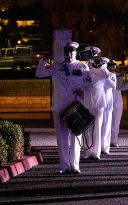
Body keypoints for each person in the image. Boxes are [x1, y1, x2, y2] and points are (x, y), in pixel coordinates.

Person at [36, 42, 89, 174]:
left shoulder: (83, 66)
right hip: (59, 107)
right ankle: (64, 166)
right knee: (62, 137)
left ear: (76, 53)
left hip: (76, 107)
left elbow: (90, 85)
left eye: (71, 52)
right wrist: (44, 60)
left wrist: (84, 91)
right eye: (66, 52)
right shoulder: (56, 67)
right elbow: (39, 74)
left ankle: (75, 165)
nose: (69, 55)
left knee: (76, 137)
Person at [82, 48, 115, 160]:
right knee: (86, 129)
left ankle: (96, 153)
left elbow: (107, 76)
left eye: (95, 56)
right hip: (87, 102)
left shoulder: (102, 70)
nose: (93, 59)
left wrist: (100, 65)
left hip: (99, 103)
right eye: (91, 57)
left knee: (97, 127)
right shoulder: (85, 69)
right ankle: (87, 152)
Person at [108, 60, 126, 147]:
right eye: (110, 64)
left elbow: (119, 86)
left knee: (116, 121)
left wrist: (121, 75)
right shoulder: (104, 75)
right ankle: (106, 141)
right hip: (108, 99)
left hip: (117, 99)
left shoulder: (119, 75)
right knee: (106, 121)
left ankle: (114, 140)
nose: (112, 66)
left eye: (113, 64)